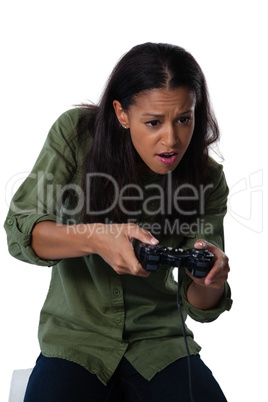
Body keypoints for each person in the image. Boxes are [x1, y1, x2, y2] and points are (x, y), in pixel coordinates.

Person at [4, 42, 232, 402]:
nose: (171, 139)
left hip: (161, 344)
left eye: (184, 119)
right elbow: (22, 231)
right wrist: (96, 238)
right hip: (76, 340)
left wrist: (212, 279)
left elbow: (201, 304)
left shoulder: (207, 179)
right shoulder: (75, 133)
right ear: (122, 114)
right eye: (153, 122)